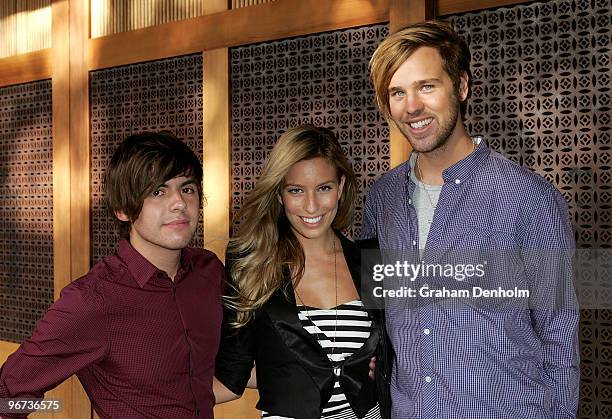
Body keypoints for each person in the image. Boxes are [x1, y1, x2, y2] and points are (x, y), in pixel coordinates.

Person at [362, 21, 580, 418]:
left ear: (460, 87)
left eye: (427, 86)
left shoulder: (530, 198)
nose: (411, 107)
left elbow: (559, 339)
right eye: (397, 93)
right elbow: (378, 314)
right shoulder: (381, 200)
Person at [0, 132, 224, 419]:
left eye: (188, 189)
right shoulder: (92, 300)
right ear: (122, 209)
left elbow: (221, 370)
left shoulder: (208, 272)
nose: (179, 203)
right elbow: (7, 397)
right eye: (158, 192)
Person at [214, 125, 386, 418]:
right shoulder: (250, 264)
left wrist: (386, 364)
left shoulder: (372, 259)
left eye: (324, 188)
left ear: (341, 186)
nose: (311, 206)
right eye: (296, 190)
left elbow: (415, 337)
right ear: (279, 194)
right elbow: (232, 374)